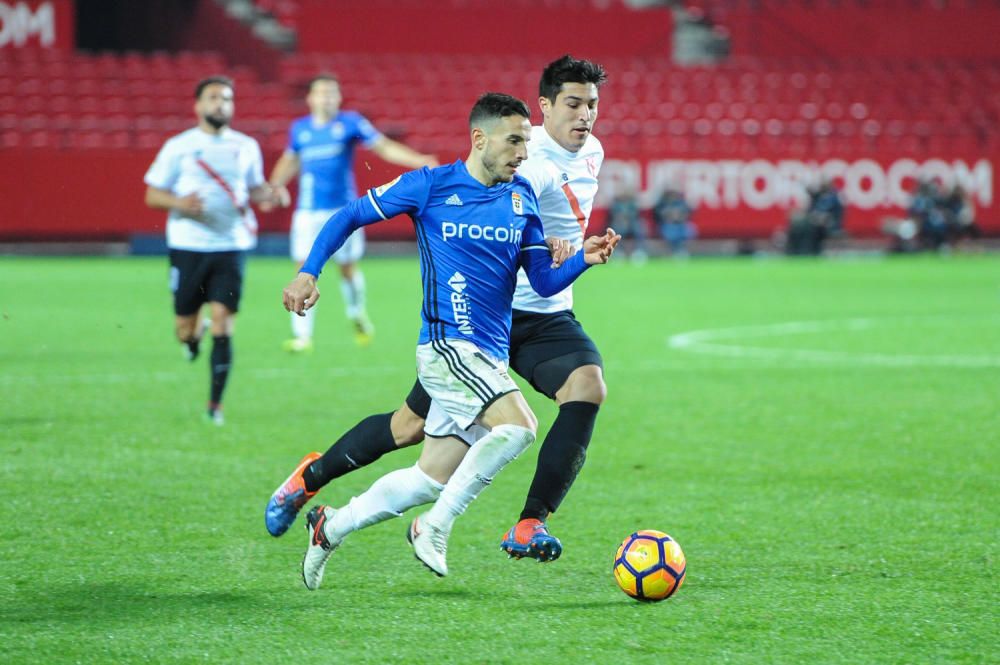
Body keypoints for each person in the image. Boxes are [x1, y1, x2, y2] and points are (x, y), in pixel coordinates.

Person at [266, 55, 610, 567]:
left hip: (535, 316)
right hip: (469, 327)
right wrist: (308, 270)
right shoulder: (521, 167)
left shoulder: (583, 156)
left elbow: (538, 263)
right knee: (420, 427)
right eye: (574, 104)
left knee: (577, 393)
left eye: (593, 106)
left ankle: (525, 521)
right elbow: (458, 190)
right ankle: (324, 483)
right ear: (544, 108)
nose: (585, 116)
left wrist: (577, 253)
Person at [144, 75, 281, 425]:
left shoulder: (245, 146)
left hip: (231, 245)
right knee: (184, 329)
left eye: (227, 99)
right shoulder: (180, 146)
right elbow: (152, 194)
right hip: (188, 246)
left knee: (225, 322)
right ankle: (193, 337)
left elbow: (253, 190)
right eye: (214, 98)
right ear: (198, 105)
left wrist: (273, 194)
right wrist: (180, 202)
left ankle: (214, 406)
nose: (221, 104)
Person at [267, 74, 438, 352]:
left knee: (347, 270)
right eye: (322, 93)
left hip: (342, 211)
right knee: (302, 268)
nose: (328, 98)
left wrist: (417, 161)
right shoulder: (300, 129)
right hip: (307, 211)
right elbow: (291, 159)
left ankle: (357, 313)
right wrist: (274, 186)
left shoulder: (350, 123)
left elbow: (382, 146)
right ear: (310, 98)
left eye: (333, 93)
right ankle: (302, 335)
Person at [653, 187, 696, 258]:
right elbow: (658, 215)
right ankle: (673, 251)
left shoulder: (681, 203)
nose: (672, 196)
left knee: (689, 229)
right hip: (667, 225)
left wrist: (680, 217)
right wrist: (668, 217)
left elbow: (689, 213)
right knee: (669, 232)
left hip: (680, 224)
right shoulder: (663, 203)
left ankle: (682, 251)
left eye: (674, 193)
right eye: (670, 194)